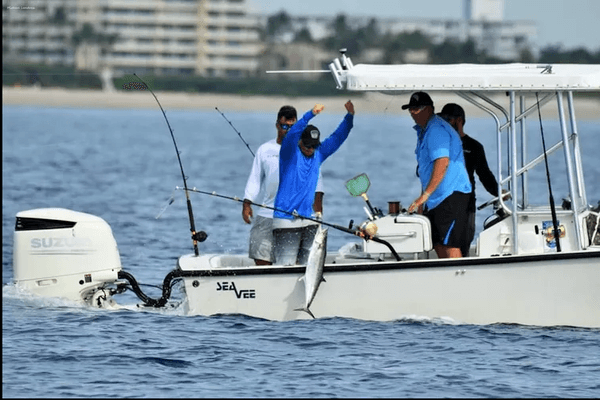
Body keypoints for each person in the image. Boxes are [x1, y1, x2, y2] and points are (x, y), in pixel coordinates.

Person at [273, 100, 355, 265]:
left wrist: (349, 117)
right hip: (285, 220)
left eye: (313, 146)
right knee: (286, 266)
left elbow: (337, 137)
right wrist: (311, 114)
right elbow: (293, 132)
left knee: (309, 265)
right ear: (300, 142)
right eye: (307, 145)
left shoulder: (318, 154)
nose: (310, 149)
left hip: (310, 220)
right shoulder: (289, 152)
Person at [242, 105, 325, 265]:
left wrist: (318, 216)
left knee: (293, 263)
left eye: (292, 126)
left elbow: (318, 187)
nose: (287, 130)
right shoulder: (265, 149)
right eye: (284, 126)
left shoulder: (307, 151)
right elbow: (255, 179)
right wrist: (247, 203)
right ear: (277, 125)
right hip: (268, 213)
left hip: (296, 217)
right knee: (261, 260)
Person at [403, 92, 472, 259]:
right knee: (437, 242)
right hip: (436, 198)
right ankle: (447, 279)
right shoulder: (424, 130)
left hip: (451, 194)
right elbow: (426, 170)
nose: (413, 112)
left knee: (450, 243)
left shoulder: (436, 130)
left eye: (417, 108)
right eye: (410, 109)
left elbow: (442, 162)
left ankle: (459, 281)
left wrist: (425, 195)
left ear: (429, 109)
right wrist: (423, 199)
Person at [439, 103, 507, 257]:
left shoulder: (474, 147)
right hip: (441, 206)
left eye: (447, 120)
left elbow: (485, 175)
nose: (443, 124)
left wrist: (498, 192)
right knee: (442, 245)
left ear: (459, 121)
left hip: (465, 206)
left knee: (462, 245)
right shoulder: (440, 145)